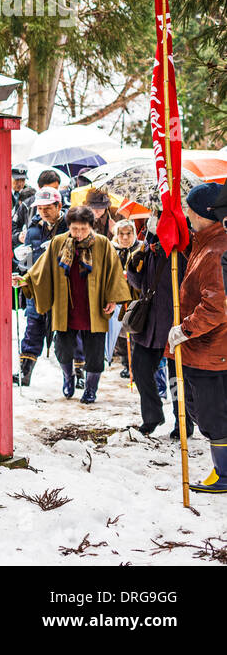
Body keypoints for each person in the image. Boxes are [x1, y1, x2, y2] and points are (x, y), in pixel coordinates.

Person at [17, 205, 130, 404]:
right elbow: (41, 269)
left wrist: (113, 299)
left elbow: (114, 272)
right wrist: (26, 280)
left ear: (91, 227)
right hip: (66, 307)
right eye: (74, 229)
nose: (78, 234)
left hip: (93, 307)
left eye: (83, 229)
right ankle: (68, 377)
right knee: (63, 349)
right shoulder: (58, 243)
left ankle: (90, 389)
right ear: (68, 227)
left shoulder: (103, 244)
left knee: (94, 353)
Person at [169, 184, 227, 493]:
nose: (186, 212)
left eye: (189, 208)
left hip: (211, 350)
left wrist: (186, 329)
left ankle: (225, 473)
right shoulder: (207, 242)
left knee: (212, 415)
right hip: (207, 350)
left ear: (204, 213)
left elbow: (216, 307)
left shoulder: (217, 251)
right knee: (208, 411)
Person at [125, 208, 189, 436]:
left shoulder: (183, 246)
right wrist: (133, 266)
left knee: (176, 377)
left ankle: (183, 422)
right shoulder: (149, 245)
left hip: (174, 322)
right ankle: (152, 416)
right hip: (149, 322)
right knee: (141, 369)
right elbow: (139, 282)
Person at [14, 185, 67, 386]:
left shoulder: (69, 226)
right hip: (36, 287)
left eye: (48, 208)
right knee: (33, 328)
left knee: (66, 333)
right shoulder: (34, 229)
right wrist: (21, 262)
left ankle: (75, 375)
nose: (43, 212)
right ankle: (25, 373)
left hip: (63, 288)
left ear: (58, 206)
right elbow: (26, 261)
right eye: (40, 208)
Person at [111, 219, 140, 379]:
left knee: (134, 328)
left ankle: (134, 365)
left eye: (128, 233)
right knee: (120, 332)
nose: (125, 237)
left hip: (135, 296)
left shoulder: (139, 248)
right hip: (118, 297)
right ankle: (125, 362)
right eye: (121, 234)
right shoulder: (112, 249)